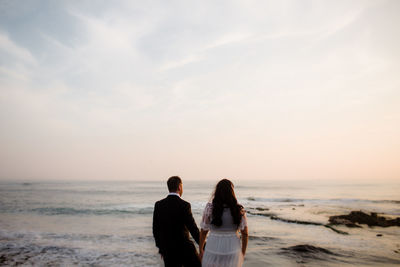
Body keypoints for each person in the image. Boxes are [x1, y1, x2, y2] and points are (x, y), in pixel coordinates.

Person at [152, 176, 201, 267]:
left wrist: (161, 249)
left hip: (168, 250)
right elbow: (193, 229)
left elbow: (156, 230)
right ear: (179, 187)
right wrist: (203, 246)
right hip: (185, 249)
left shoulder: (159, 205)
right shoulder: (184, 205)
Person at [199, 179, 248, 267]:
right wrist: (243, 252)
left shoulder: (210, 208)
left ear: (217, 192)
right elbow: (245, 234)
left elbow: (203, 231)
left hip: (213, 246)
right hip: (232, 248)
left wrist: (200, 250)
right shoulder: (238, 210)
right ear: (232, 192)